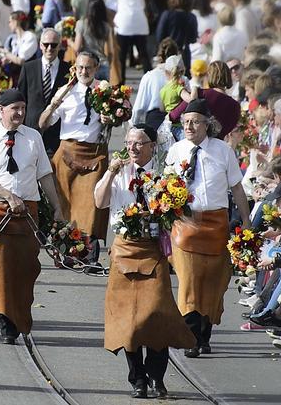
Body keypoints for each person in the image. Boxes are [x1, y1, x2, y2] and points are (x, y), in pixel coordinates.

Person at [94, 124, 197, 398]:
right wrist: (110, 171)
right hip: (124, 250)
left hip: (152, 252)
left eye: (139, 143)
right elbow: (100, 201)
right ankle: (137, 379)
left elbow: (181, 211)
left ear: (152, 145)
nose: (133, 148)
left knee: (156, 316)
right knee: (128, 323)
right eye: (129, 143)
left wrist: (168, 206)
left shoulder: (164, 175)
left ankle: (156, 376)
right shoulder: (118, 172)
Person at [0, 89, 61, 344]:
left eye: (23, 108)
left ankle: (18, 314)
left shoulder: (33, 138)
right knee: (0, 269)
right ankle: (6, 322)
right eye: (14, 108)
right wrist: (9, 196)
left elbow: (44, 174)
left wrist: (57, 207)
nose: (20, 113)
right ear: (1, 110)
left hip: (28, 216)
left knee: (25, 269)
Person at [164, 98, 251, 357]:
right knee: (190, 281)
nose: (189, 126)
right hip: (186, 224)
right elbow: (164, 188)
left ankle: (204, 335)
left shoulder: (223, 151)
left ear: (207, 124)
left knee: (213, 283)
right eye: (186, 122)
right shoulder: (176, 151)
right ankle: (190, 337)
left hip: (216, 224)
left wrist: (246, 221)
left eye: (194, 122)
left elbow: (237, 187)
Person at [38, 51, 110, 246]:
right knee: (64, 206)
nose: (83, 71)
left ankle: (90, 256)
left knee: (91, 206)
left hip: (94, 155)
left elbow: (121, 117)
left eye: (88, 67)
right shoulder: (64, 91)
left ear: (96, 68)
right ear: (74, 68)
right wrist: (52, 106)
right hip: (67, 153)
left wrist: (110, 118)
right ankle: (66, 252)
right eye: (80, 67)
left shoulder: (105, 91)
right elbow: (43, 124)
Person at [16, 28, 71, 155]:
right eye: (46, 44)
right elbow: (21, 100)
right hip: (31, 131)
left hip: (58, 133)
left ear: (60, 46)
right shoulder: (28, 68)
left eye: (54, 45)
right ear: (40, 45)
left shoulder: (68, 70)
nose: (49, 48)